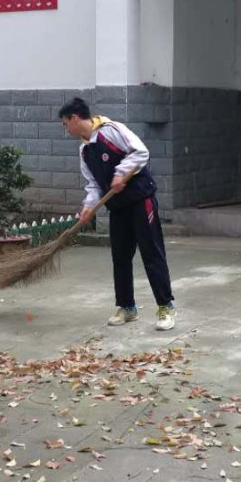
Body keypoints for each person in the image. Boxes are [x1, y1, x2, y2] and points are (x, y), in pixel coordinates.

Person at [59, 97, 176, 331]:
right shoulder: (84, 151)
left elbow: (141, 152)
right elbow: (92, 184)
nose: (66, 129)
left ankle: (166, 307)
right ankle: (127, 307)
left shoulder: (111, 130)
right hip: (118, 206)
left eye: (65, 123)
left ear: (74, 118)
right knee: (120, 257)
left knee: (151, 252)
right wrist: (88, 206)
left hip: (141, 199)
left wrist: (121, 173)